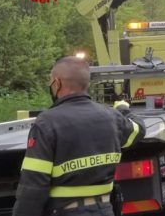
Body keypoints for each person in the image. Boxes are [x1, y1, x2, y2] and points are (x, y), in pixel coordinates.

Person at [13, 56, 145, 216]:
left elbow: (33, 187)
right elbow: (138, 129)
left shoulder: (46, 123)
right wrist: (123, 109)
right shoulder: (111, 117)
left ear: (57, 83)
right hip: (104, 210)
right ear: (86, 84)